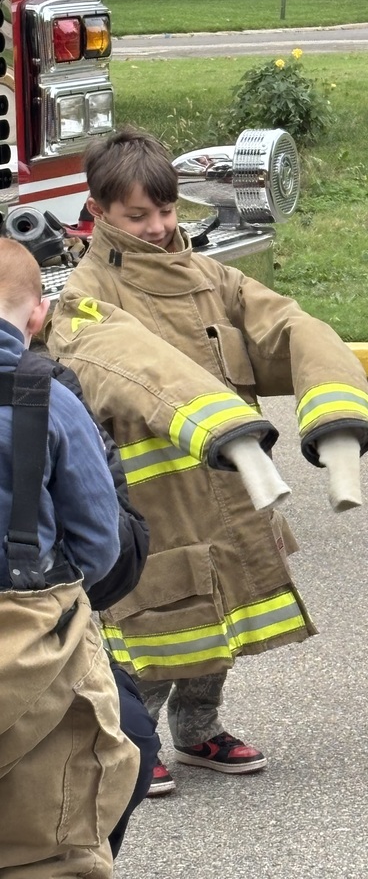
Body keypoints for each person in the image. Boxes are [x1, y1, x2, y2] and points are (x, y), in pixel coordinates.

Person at [47, 128, 368, 797]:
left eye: (167, 211)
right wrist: (224, 427)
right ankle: (130, 739)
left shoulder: (208, 275)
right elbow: (136, 367)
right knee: (157, 631)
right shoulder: (87, 296)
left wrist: (336, 408)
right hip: (156, 501)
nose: (159, 227)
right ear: (100, 210)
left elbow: (284, 324)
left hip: (226, 488)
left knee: (221, 621)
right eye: (139, 216)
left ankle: (201, 731)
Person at [0, 237, 139, 877]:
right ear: (38, 315)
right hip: (33, 642)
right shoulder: (47, 398)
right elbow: (99, 544)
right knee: (51, 835)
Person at [24, 340, 159, 857]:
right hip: (28, 630)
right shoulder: (48, 396)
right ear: (38, 312)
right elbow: (104, 555)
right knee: (129, 744)